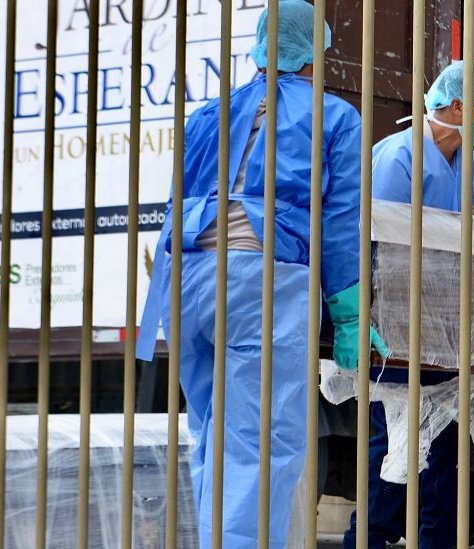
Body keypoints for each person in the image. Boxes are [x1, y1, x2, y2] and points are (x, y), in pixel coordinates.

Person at [136, 2, 385, 547]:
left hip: (186, 281)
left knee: (212, 440)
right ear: (314, 52)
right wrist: (347, 315)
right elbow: (341, 221)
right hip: (258, 283)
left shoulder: (208, 113)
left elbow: (176, 201)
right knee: (260, 443)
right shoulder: (334, 116)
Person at [342, 60, 474, 549]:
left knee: (445, 461)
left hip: (449, 334)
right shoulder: (398, 157)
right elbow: (383, 248)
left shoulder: (470, 162)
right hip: (396, 327)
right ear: (458, 105)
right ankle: (365, 540)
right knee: (392, 448)